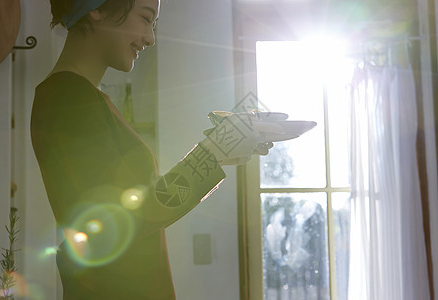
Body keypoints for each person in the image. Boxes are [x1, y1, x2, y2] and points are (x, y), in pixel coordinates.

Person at [30, 0, 286, 299]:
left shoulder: (80, 97)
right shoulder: (67, 97)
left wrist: (223, 150)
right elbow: (122, 221)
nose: (150, 37)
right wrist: (213, 151)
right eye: (145, 18)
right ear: (97, 7)